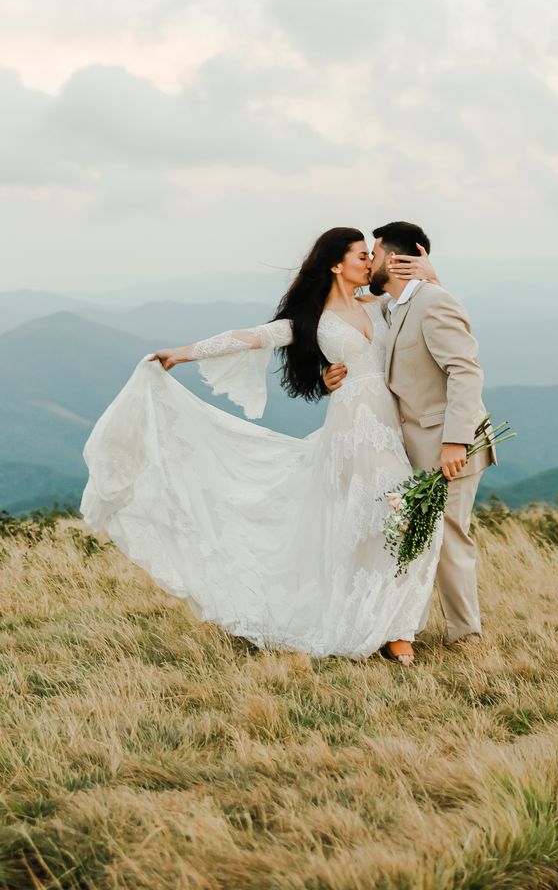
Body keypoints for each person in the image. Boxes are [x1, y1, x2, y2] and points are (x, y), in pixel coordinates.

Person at [81, 228, 440, 664]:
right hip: (350, 430)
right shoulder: (311, 319)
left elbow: (426, 310)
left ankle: (391, 624)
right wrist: (183, 353)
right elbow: (250, 336)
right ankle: (388, 630)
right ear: (335, 264)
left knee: (399, 514)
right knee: (373, 517)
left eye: (370, 255)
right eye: (362, 256)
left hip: (388, 425)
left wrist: (431, 277)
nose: (371, 263)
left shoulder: (381, 306)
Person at [324, 222, 495, 645]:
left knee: (449, 537)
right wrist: (328, 374)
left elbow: (465, 371)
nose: (370, 263)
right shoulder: (392, 306)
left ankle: (466, 636)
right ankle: (401, 627)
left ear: (398, 260)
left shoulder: (433, 303)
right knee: (413, 536)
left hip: (451, 446)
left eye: (376, 254)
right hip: (413, 447)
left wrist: (455, 441)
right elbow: (351, 324)